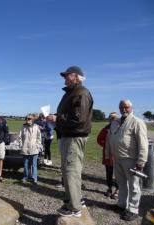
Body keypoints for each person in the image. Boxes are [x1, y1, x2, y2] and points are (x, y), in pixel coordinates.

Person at [47, 65, 93, 217]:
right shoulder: (73, 92)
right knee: (68, 171)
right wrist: (55, 117)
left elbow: (78, 119)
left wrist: (57, 118)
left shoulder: (81, 93)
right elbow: (70, 115)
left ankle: (75, 208)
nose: (64, 78)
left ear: (76, 76)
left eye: (67, 75)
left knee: (71, 171)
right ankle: (72, 201)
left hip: (74, 137)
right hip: (68, 136)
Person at [105, 100, 148, 221]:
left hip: (131, 159)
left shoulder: (137, 122)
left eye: (126, 107)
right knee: (121, 183)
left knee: (134, 185)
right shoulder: (115, 123)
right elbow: (109, 139)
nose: (124, 109)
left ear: (131, 107)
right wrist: (108, 155)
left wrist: (141, 162)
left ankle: (133, 209)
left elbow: (143, 144)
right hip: (117, 158)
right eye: (121, 107)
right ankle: (122, 204)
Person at [97, 112, 119, 199]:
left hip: (118, 155)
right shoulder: (105, 129)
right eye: (111, 119)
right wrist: (106, 145)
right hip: (108, 155)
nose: (113, 120)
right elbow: (99, 140)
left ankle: (118, 190)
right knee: (109, 173)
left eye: (114, 118)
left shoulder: (120, 129)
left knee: (118, 174)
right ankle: (109, 188)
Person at [19, 114, 42, 184]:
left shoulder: (36, 127)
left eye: (29, 119)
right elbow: (20, 137)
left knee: (34, 164)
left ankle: (34, 178)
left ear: (32, 120)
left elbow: (39, 137)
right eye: (26, 119)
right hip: (25, 148)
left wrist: (38, 146)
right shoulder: (23, 127)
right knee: (25, 164)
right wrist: (21, 145)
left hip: (34, 149)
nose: (27, 120)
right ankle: (25, 177)